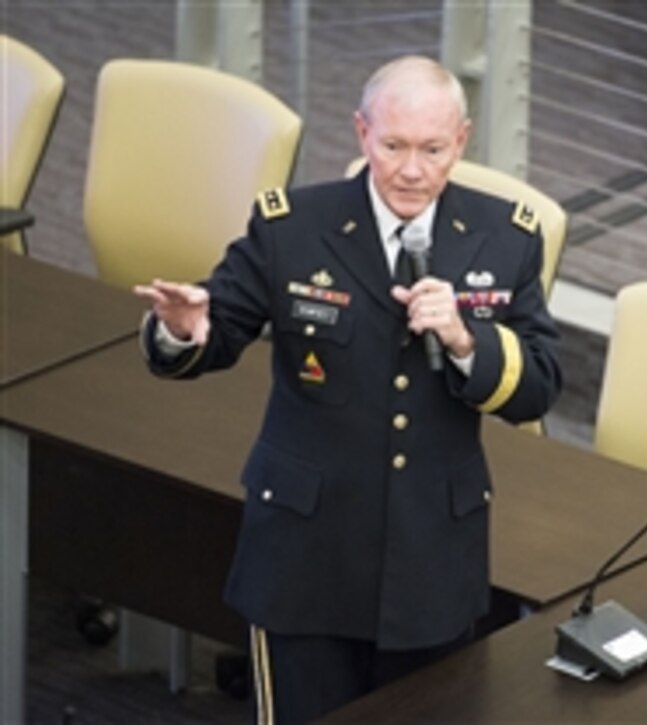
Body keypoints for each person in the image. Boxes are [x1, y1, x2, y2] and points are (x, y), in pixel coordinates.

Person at [134, 56, 563, 723]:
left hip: (432, 560)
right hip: (306, 557)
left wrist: (464, 340)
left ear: (463, 141)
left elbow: (538, 387)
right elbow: (212, 337)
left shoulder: (505, 239)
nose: (412, 170)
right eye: (393, 146)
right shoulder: (292, 226)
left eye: (433, 149)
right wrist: (185, 330)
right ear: (362, 133)